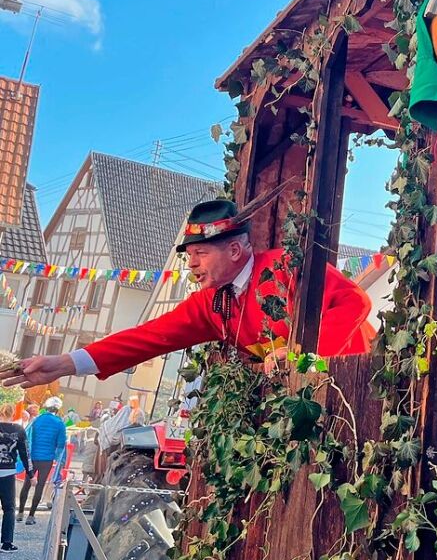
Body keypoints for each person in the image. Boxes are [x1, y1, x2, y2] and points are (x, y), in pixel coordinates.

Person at [0, 199, 377, 391]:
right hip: (295, 397)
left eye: (201, 254)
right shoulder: (212, 303)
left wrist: (303, 356)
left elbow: (356, 302)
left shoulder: (286, 266)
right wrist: (66, 363)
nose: (192, 264)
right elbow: (145, 339)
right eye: (190, 255)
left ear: (234, 250)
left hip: (353, 381)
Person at [19, 396, 65, 525]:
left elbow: (27, 436)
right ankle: (31, 516)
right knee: (40, 485)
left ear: (46, 407)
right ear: (57, 409)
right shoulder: (59, 423)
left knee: (27, 483)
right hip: (47, 459)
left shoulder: (37, 420)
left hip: (32, 457)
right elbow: (61, 444)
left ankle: (20, 513)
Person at [0, 403, 31, 552]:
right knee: (9, 508)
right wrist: (31, 474)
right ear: (13, 415)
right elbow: (25, 453)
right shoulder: (18, 430)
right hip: (7, 472)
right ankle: (6, 543)